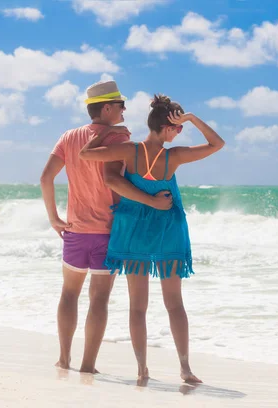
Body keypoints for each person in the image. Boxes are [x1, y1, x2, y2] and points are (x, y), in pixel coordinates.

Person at [78, 94, 225, 384]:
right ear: (168, 127)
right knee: (174, 304)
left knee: (137, 306)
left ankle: (142, 369)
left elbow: (85, 155)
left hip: (133, 232)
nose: (179, 132)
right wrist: (193, 117)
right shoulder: (174, 156)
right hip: (168, 231)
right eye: (178, 127)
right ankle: (184, 368)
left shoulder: (129, 151)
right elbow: (217, 144)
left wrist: (105, 134)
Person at [40, 81, 173, 374]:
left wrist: (54, 218)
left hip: (74, 230)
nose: (125, 110)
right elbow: (118, 180)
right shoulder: (119, 137)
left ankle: (64, 359)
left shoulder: (69, 136)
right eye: (121, 105)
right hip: (107, 232)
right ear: (108, 108)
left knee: (68, 294)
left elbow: (45, 178)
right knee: (98, 299)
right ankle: (88, 365)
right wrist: (151, 201)